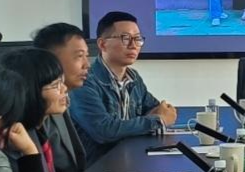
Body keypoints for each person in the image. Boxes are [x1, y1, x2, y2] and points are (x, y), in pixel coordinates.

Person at [69, 11, 177, 162]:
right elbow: (104, 131)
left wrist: (155, 118)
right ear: (102, 44)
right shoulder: (85, 82)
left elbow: (159, 109)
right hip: (98, 166)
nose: (133, 46)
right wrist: (157, 121)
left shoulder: (133, 78)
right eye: (125, 38)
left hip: (131, 158)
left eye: (137, 39)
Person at [32, 21, 90, 172]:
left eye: (86, 56)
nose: (87, 64)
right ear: (50, 60)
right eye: (79, 56)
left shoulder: (62, 99)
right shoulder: (35, 109)